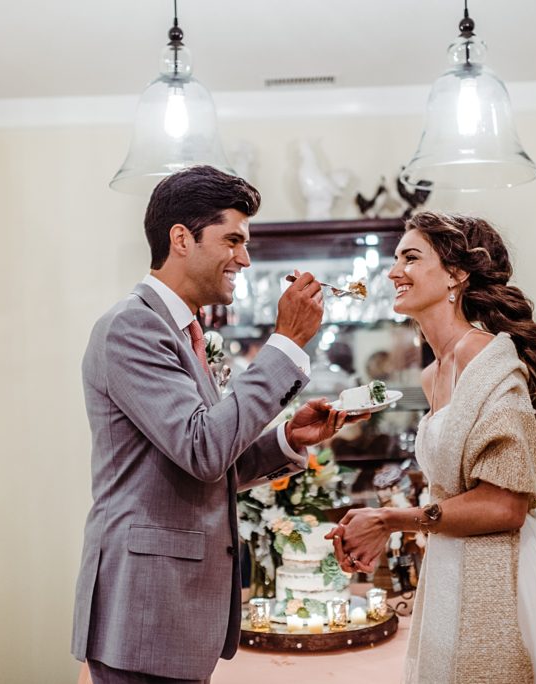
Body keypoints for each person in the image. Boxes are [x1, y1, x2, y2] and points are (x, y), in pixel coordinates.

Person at [71, 165, 355, 684]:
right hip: (146, 611)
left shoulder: (186, 333)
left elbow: (203, 459)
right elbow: (202, 448)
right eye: (232, 240)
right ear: (181, 238)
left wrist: (287, 440)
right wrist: (286, 343)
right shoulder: (132, 326)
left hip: (174, 614)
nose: (245, 258)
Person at [328, 212, 536, 683]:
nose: (394, 271)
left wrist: (391, 521)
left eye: (411, 258)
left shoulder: (488, 359)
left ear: (457, 274)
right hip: (448, 566)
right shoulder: (432, 375)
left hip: (500, 573)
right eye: (395, 259)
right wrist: (383, 528)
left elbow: (505, 505)